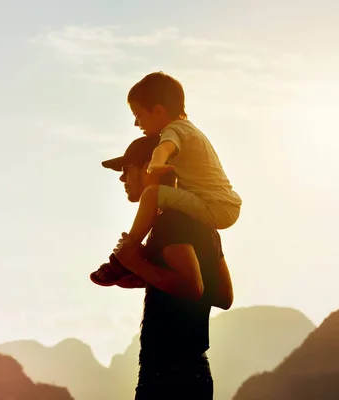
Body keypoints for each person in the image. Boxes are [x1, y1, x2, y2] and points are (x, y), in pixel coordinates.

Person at [97, 135, 234, 399]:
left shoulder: (169, 222)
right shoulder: (203, 224)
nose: (122, 179)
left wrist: (133, 262)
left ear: (150, 166)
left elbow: (191, 286)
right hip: (195, 372)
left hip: (167, 376)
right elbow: (223, 296)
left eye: (127, 170)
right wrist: (148, 277)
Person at [90, 71, 241, 286]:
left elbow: (165, 147)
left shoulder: (175, 129)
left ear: (158, 111)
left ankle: (123, 256)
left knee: (151, 194)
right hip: (222, 205)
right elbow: (224, 299)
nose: (136, 123)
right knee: (154, 196)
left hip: (216, 206)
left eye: (138, 115)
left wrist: (156, 164)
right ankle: (140, 264)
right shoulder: (190, 131)